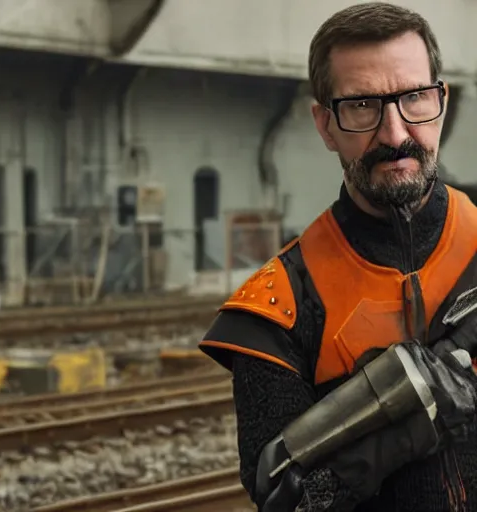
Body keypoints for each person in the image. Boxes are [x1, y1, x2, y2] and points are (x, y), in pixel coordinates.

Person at [199, 3, 477, 511]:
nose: (395, 135)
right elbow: (284, 499)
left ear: (441, 100)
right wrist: (403, 429)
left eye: (414, 97)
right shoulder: (278, 307)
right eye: (363, 106)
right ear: (325, 125)